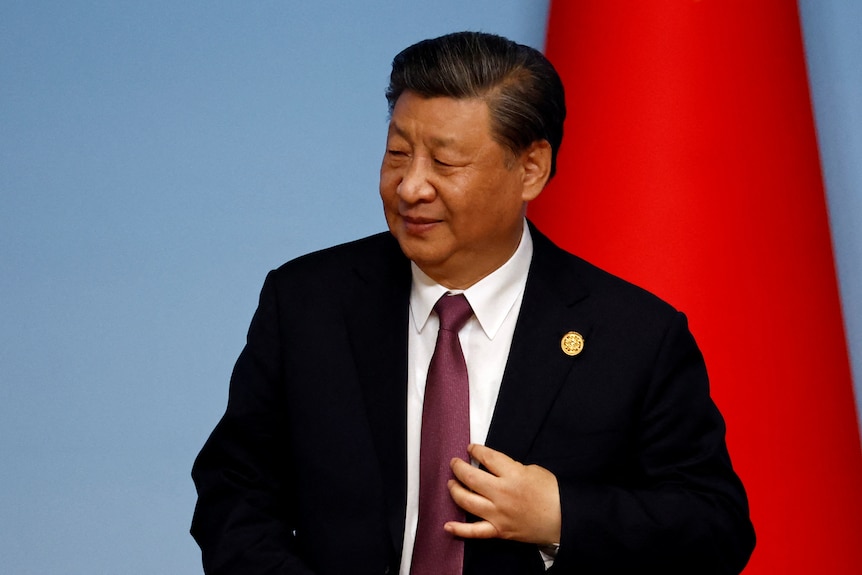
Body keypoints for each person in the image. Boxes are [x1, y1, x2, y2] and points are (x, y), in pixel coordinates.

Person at [191, 31, 755, 574]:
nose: (411, 186)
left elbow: (715, 529)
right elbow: (234, 497)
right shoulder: (308, 302)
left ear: (530, 168)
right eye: (397, 153)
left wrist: (562, 516)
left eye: (445, 162)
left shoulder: (633, 336)